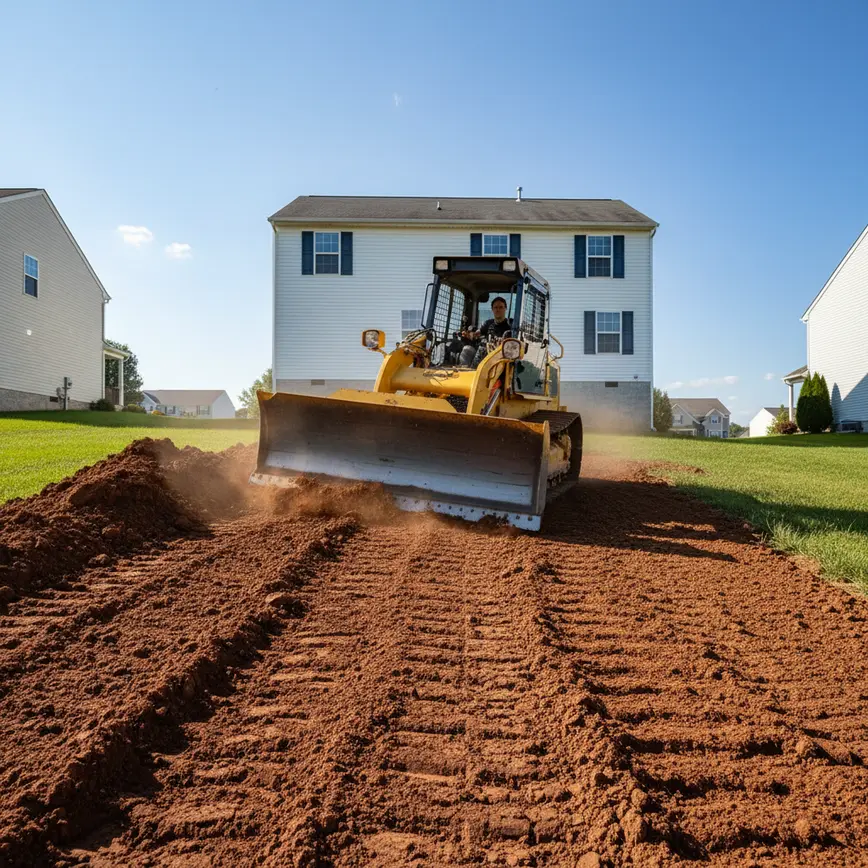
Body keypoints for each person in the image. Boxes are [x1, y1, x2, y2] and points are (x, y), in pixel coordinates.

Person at [458, 296, 513, 368]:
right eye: (495, 307)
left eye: (501, 307)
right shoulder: (487, 324)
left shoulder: (512, 324)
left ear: (505, 308)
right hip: (488, 356)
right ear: (492, 309)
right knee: (475, 347)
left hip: (505, 357)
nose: (498, 310)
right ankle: (473, 370)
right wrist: (469, 335)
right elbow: (477, 334)